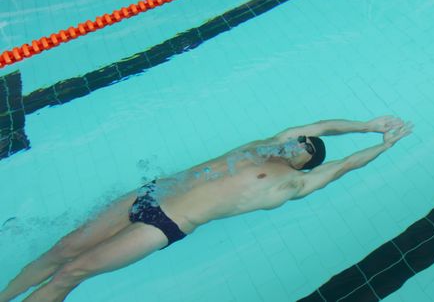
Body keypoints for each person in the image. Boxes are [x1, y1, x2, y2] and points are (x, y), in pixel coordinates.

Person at [0, 116, 413, 302]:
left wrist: (382, 146)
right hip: (149, 193)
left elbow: (343, 166)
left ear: (305, 165)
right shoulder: (264, 145)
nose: (299, 144)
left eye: (305, 150)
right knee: (61, 251)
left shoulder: (292, 182)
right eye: (302, 139)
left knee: (75, 271)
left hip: (163, 224)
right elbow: (323, 127)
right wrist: (368, 125)